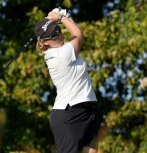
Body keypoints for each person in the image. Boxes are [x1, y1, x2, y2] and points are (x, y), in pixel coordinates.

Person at [34, 9, 100, 153]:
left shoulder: (65, 50)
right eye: (53, 35)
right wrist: (61, 17)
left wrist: (65, 17)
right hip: (70, 114)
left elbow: (74, 32)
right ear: (45, 42)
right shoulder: (59, 56)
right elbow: (78, 34)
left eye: (58, 30)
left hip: (88, 110)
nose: (59, 35)